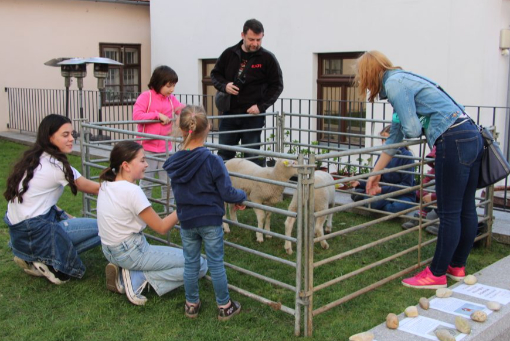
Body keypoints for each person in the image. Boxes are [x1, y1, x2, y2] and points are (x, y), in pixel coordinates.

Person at [355, 51, 483, 289]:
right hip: (471, 135)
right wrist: (375, 175)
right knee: (466, 207)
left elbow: (411, 129)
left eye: (361, 78)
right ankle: (457, 266)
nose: (362, 84)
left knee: (449, 212)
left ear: (369, 75)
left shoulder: (394, 84)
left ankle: (436, 274)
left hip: (452, 140)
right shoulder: (403, 79)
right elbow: (394, 139)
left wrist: (409, 121)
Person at [97, 140, 207, 306]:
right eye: (142, 160)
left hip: (109, 250)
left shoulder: (106, 184)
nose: (147, 164)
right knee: (199, 264)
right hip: (131, 251)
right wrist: (185, 206)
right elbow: (161, 228)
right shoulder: (132, 191)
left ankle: (127, 272)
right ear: (126, 165)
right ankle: (139, 278)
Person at [163, 105, 247, 320]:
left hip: (187, 220)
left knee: (190, 262)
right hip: (210, 220)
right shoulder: (213, 161)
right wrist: (241, 197)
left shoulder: (175, 162)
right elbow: (226, 191)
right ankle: (225, 306)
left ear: (182, 130)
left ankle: (191, 304)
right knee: (216, 263)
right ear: (209, 127)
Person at [3, 114, 100, 285]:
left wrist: (67, 217)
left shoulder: (34, 158)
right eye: (65, 135)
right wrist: (123, 185)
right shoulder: (57, 166)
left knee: (70, 220)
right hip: (36, 230)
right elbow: (94, 188)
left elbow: (42, 203)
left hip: (20, 232)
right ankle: (51, 262)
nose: (71, 139)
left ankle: (30, 255)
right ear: (50, 137)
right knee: (103, 228)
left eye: (72, 134)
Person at [211, 18, 284, 167]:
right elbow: (215, 75)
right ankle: (223, 188)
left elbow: (277, 85)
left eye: (259, 39)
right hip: (229, 114)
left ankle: (253, 190)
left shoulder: (267, 58)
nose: (255, 43)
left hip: (253, 116)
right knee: (224, 154)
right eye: (251, 39)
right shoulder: (229, 54)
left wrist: (261, 106)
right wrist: (225, 86)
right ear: (242, 35)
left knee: (252, 157)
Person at [133, 65, 184, 204]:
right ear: (158, 82)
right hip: (147, 149)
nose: (172, 89)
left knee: (168, 183)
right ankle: (143, 213)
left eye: (173, 85)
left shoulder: (171, 99)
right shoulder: (146, 97)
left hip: (165, 149)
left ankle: (169, 212)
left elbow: (181, 109)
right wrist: (157, 115)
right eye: (168, 86)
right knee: (146, 183)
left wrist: (189, 114)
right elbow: (137, 115)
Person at [350, 125, 415, 213]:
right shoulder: (382, 156)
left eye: (387, 139)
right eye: (382, 139)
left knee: (392, 208)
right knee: (365, 198)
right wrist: (359, 183)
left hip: (403, 195)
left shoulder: (407, 156)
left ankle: (371, 200)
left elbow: (406, 185)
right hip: (385, 192)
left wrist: (381, 190)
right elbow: (376, 179)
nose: (384, 143)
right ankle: (370, 198)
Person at [401, 147, 440, 235]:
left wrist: (433, 197)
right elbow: (422, 185)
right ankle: (420, 216)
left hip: (446, 203)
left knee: (437, 183)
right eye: (433, 160)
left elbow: (450, 191)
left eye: (436, 160)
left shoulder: (452, 171)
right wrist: (425, 195)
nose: (434, 163)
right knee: (430, 184)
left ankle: (443, 222)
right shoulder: (434, 170)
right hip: (435, 202)